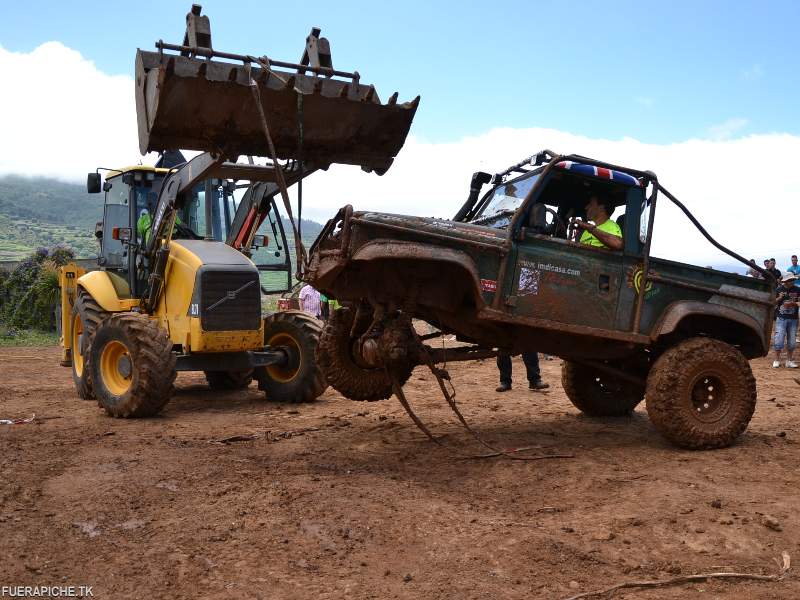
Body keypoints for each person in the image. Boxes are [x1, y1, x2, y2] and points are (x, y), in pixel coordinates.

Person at [772, 274, 799, 369]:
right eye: (791, 280)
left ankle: (789, 360)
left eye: (793, 279)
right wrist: (779, 298)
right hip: (781, 318)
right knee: (779, 338)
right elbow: (772, 302)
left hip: (793, 319)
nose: (792, 281)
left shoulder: (797, 289)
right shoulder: (778, 290)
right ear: (786, 281)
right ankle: (776, 360)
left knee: (792, 340)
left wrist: (793, 303)